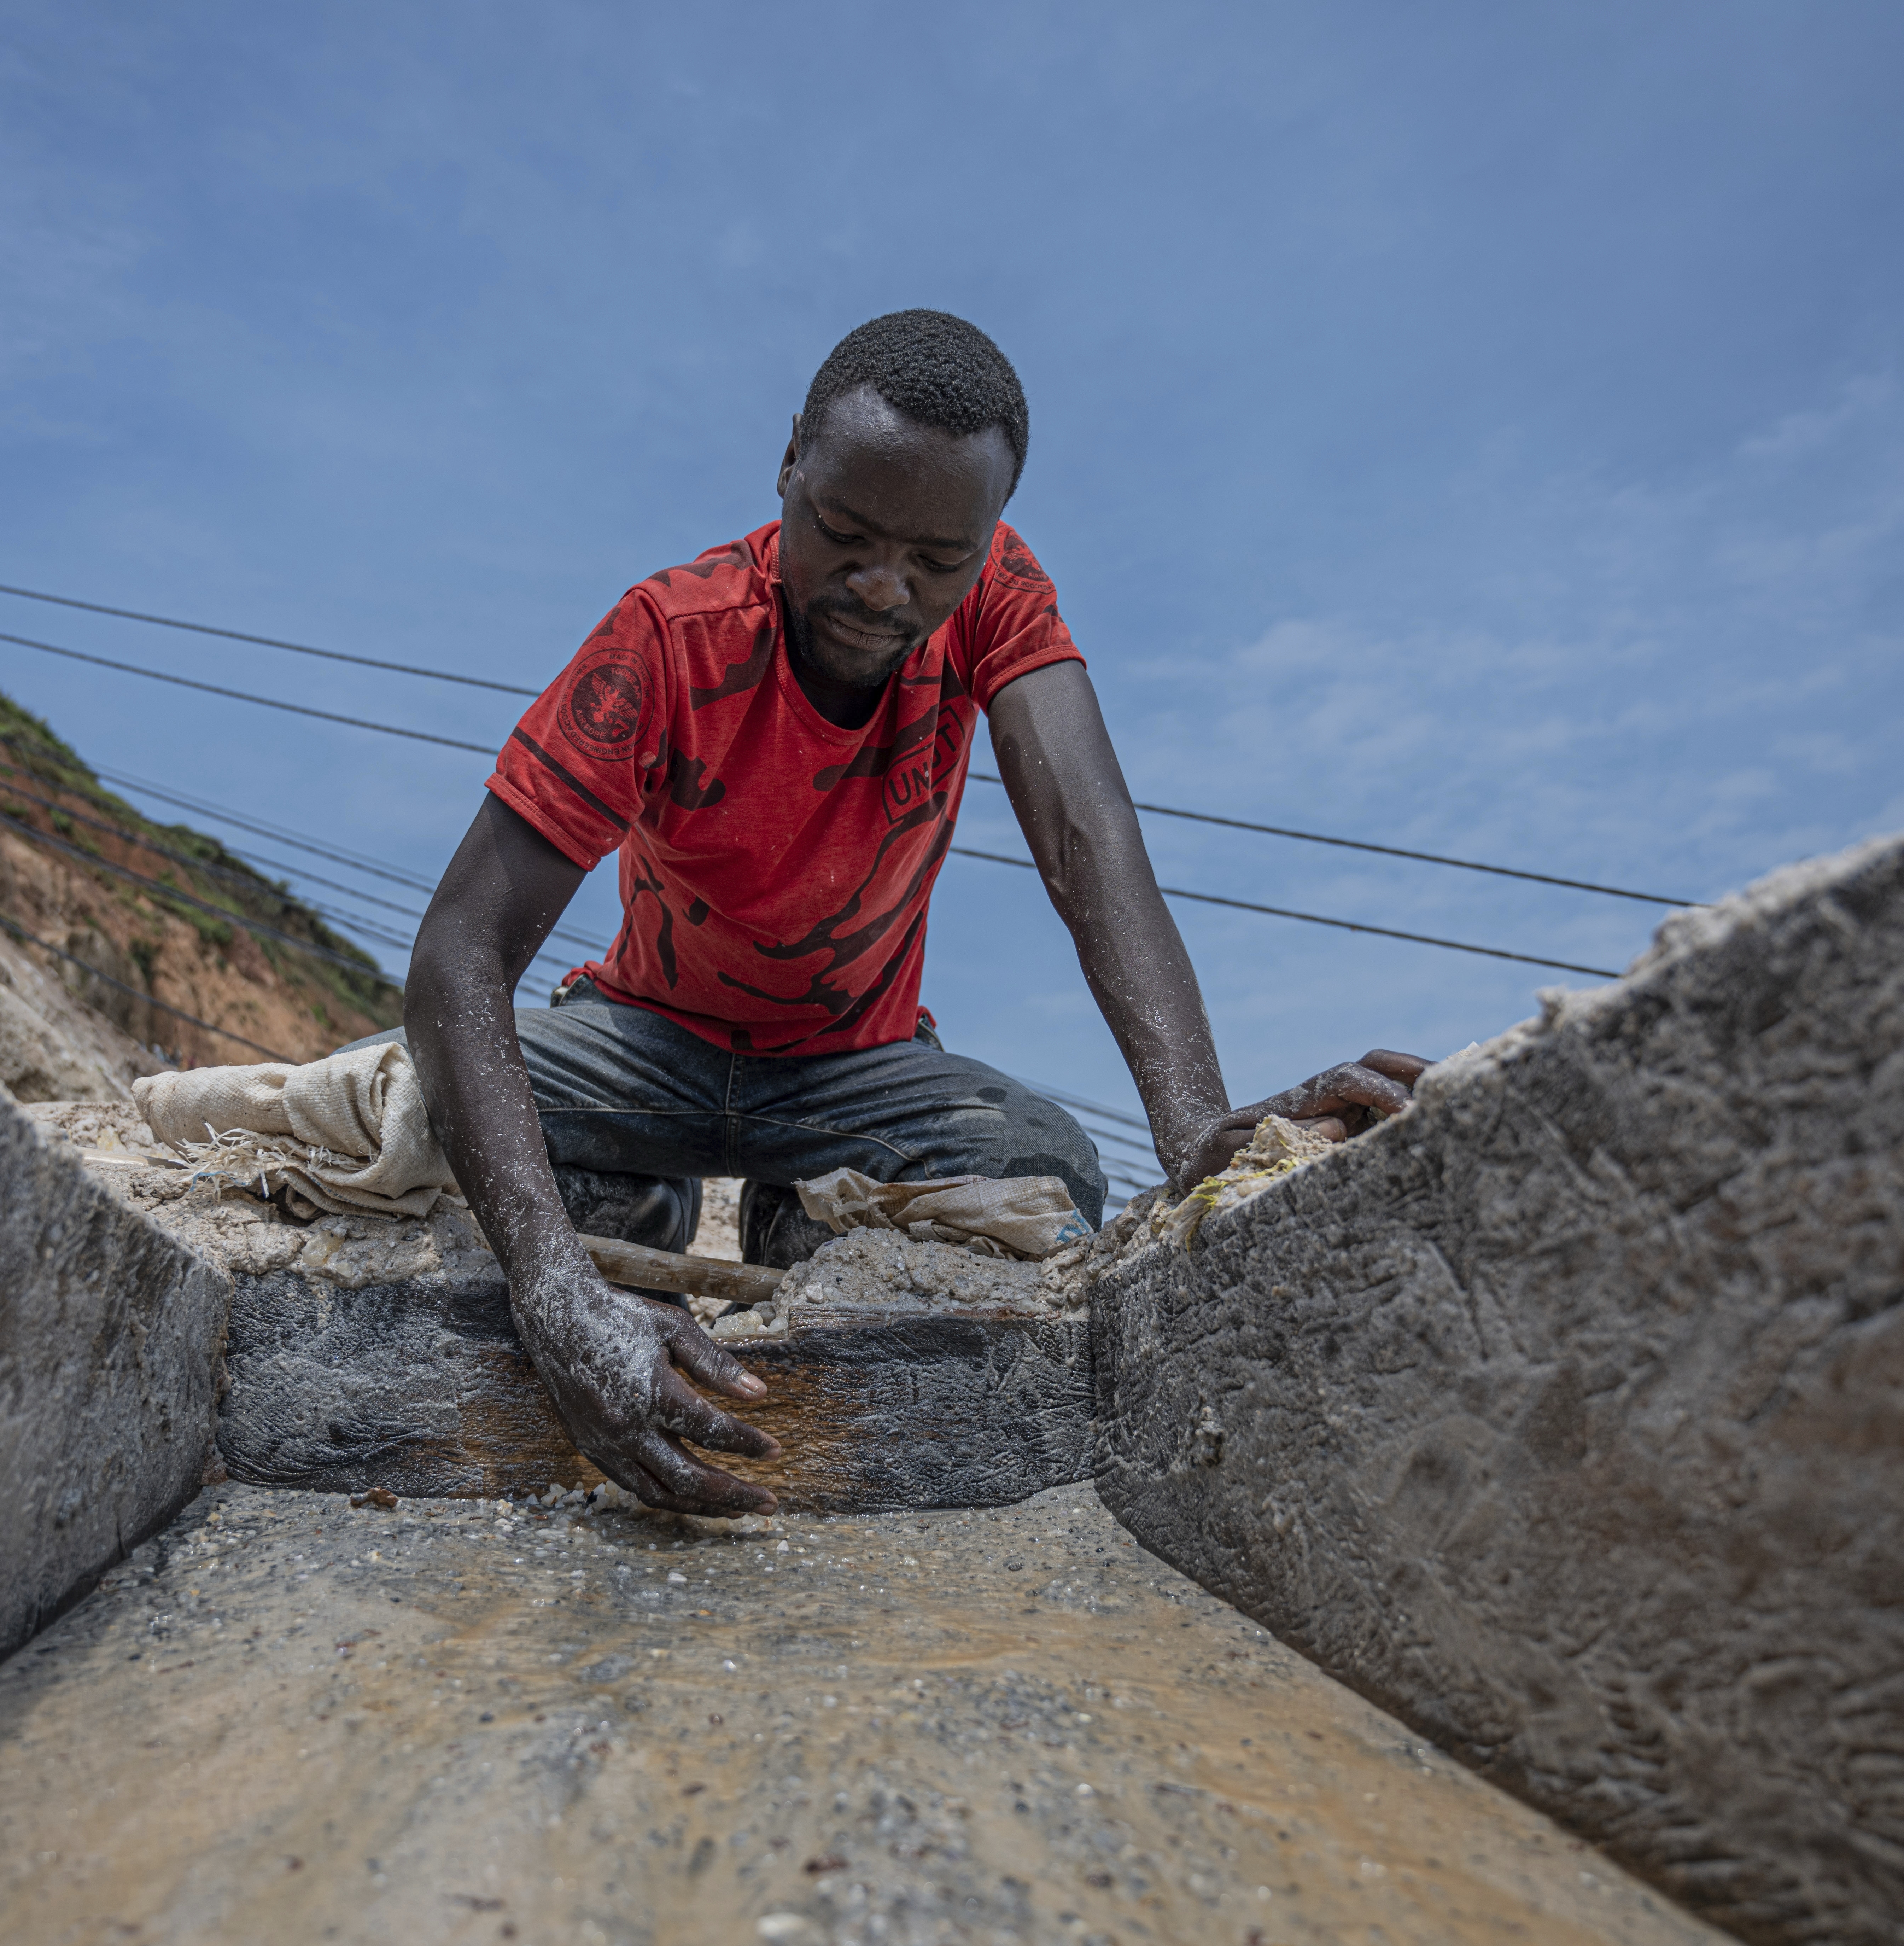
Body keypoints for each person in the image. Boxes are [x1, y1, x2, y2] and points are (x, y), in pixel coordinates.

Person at [401, 309, 1424, 1515]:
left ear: (984, 541)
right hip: (644, 1043)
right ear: (790, 466)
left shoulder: (1001, 590)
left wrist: (1197, 1131)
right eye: (843, 533)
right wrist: (551, 1285)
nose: (884, 588)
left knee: (1042, 1164)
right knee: (421, 1115)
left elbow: (1084, 836)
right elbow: (457, 954)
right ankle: (643, 1207)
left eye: (936, 561)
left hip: (855, 1068)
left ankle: (802, 1210)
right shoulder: (668, 639)